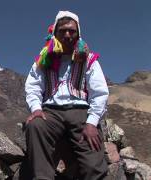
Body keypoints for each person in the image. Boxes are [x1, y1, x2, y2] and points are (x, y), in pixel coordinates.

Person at [25, 10, 109, 180]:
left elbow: (99, 92)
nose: (67, 34)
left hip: (80, 112)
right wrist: (36, 108)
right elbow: (32, 86)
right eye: (62, 31)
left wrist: (92, 122)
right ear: (55, 33)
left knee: (93, 161)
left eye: (72, 31)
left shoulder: (89, 59)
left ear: (78, 34)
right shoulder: (43, 60)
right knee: (36, 126)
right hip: (51, 111)